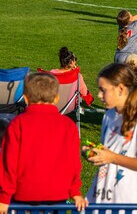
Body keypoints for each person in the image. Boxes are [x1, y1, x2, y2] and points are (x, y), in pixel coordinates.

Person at [0, 73, 86, 212]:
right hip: (57, 195)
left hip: (24, 194)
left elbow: (8, 162)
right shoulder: (69, 126)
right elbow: (73, 162)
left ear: (26, 98)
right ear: (57, 98)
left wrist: (4, 197)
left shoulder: (17, 123)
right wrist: (74, 191)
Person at [86, 62, 137, 204]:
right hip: (104, 197)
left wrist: (113, 157)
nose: (99, 95)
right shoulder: (108, 116)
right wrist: (94, 152)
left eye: (103, 90)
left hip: (129, 201)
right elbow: (108, 151)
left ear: (120, 89)